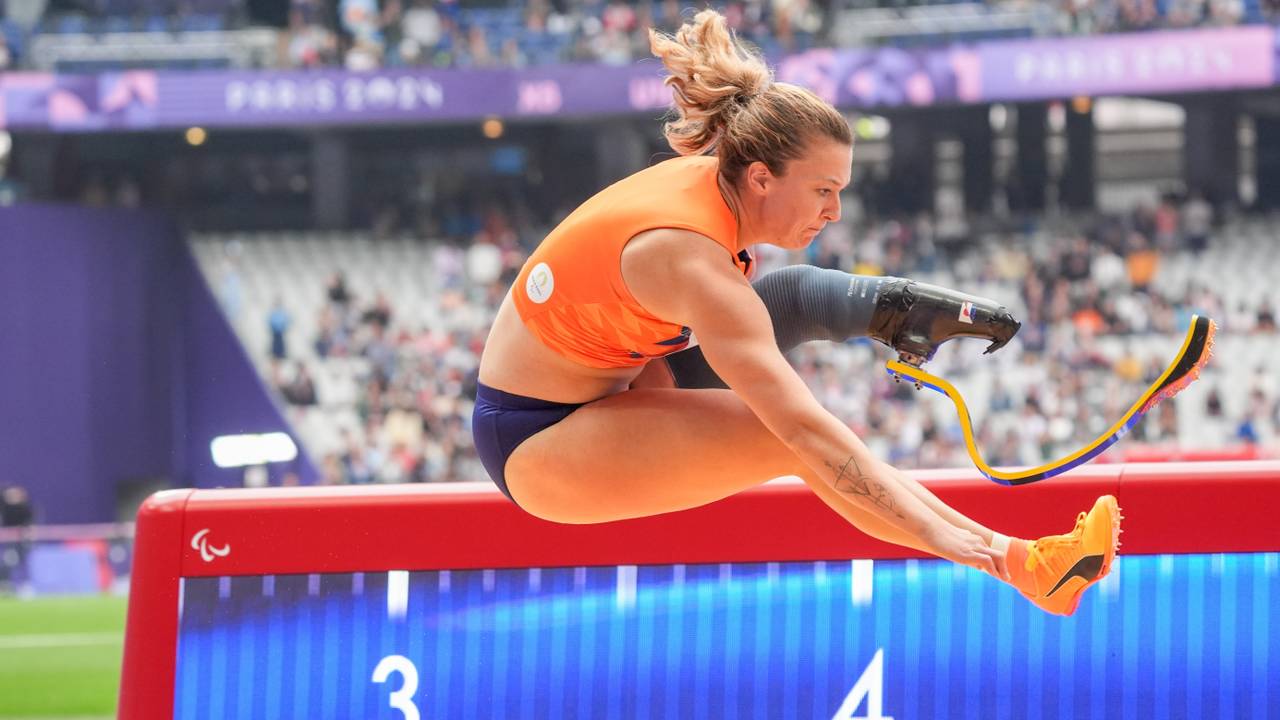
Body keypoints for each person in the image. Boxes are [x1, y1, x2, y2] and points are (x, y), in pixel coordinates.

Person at [473, 9, 1119, 617]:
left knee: (792, 330)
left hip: (614, 381)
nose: (834, 212)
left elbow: (767, 317)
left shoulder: (718, 191)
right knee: (791, 438)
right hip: (536, 437)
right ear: (760, 178)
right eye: (823, 191)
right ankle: (1019, 566)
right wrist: (972, 548)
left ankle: (1017, 552)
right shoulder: (691, 259)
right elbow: (808, 434)